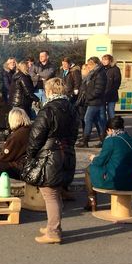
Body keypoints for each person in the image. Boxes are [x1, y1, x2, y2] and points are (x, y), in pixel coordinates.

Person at [24, 78, 78, 244]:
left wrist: (30, 155)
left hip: (50, 155)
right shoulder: (71, 108)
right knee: (56, 192)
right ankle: (53, 226)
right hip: (66, 152)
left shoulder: (48, 109)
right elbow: (75, 132)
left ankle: (53, 231)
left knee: (50, 194)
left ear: (50, 91)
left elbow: (36, 136)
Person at [84, 116, 132, 211]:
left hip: (117, 181)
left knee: (89, 169)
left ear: (110, 130)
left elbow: (100, 162)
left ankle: (92, 200)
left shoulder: (111, 140)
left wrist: (93, 158)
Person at [0, 108, 31, 183]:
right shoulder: (28, 130)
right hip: (27, 163)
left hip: (22, 167)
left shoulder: (17, 135)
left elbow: (6, 156)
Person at [76, 57, 107, 148]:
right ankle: (103, 140)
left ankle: (85, 141)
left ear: (95, 64)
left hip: (95, 101)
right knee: (99, 121)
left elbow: (98, 89)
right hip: (94, 100)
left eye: (90, 64)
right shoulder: (94, 73)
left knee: (88, 119)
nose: (88, 66)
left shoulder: (99, 74)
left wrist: (89, 96)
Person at [102, 54, 121, 121]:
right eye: (103, 59)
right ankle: (105, 126)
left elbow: (117, 82)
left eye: (105, 60)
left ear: (110, 60)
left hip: (112, 94)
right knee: (102, 112)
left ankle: (113, 126)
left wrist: (110, 91)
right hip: (103, 94)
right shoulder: (102, 69)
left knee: (110, 110)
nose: (104, 61)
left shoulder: (115, 69)